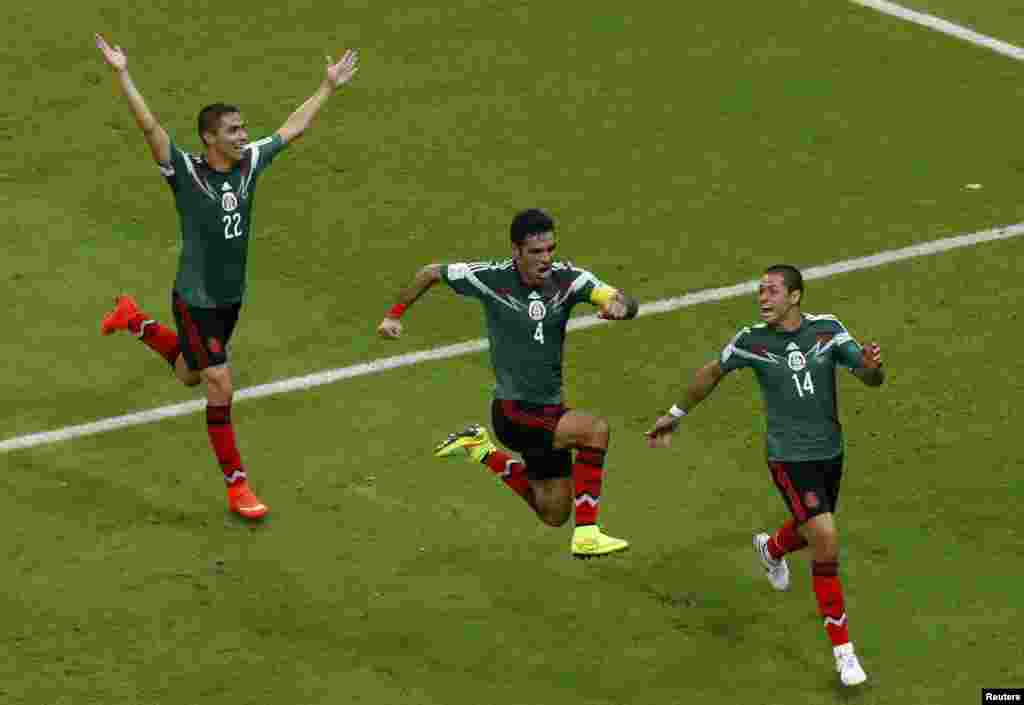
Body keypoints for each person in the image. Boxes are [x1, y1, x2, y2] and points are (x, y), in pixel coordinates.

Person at [94, 34, 359, 520]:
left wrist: (327, 88)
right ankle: (238, 485)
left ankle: (134, 321)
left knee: (189, 373)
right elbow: (150, 127)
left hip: (229, 299)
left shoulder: (249, 165)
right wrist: (122, 74)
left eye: (243, 129)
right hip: (194, 298)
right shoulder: (186, 173)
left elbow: (290, 130)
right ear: (210, 138)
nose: (243, 136)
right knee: (219, 382)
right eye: (233, 130)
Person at [646, 264, 884, 687]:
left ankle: (771, 548)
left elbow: (869, 378)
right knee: (825, 539)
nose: (763, 297)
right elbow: (711, 373)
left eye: (772, 290)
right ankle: (844, 653)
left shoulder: (827, 330)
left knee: (812, 528)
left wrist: (871, 366)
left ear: (795, 296)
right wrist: (674, 415)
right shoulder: (751, 340)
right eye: (760, 291)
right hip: (787, 458)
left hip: (830, 453)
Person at [377, 209, 638, 558]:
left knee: (554, 513)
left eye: (550, 249)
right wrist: (393, 315)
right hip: (515, 412)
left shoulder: (570, 280)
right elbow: (431, 273)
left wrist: (621, 308)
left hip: (550, 410)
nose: (546, 259)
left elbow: (621, 299)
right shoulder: (491, 278)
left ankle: (481, 450)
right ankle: (588, 533)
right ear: (516, 251)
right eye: (536, 252)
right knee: (595, 431)